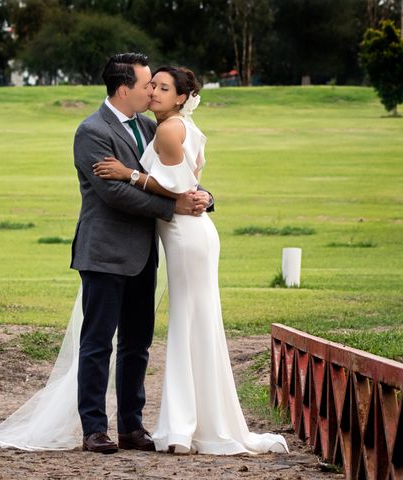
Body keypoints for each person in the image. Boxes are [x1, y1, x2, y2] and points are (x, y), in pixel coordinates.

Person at [0, 52, 213, 453]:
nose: (151, 91)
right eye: (146, 85)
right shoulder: (91, 131)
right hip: (105, 252)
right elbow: (114, 194)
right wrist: (171, 207)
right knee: (97, 343)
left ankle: (131, 426)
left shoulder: (149, 125)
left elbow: (175, 177)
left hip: (144, 253)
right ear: (124, 88)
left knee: (137, 343)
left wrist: (205, 197)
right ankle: (94, 428)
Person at [92, 65, 289, 455]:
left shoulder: (166, 128)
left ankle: (182, 428)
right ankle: (192, 423)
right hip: (186, 233)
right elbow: (189, 183)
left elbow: (177, 186)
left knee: (187, 324)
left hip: (185, 236)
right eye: (151, 86)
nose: (153, 93)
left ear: (182, 97)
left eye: (163, 87)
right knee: (194, 322)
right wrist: (202, 195)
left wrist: (129, 174)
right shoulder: (166, 124)